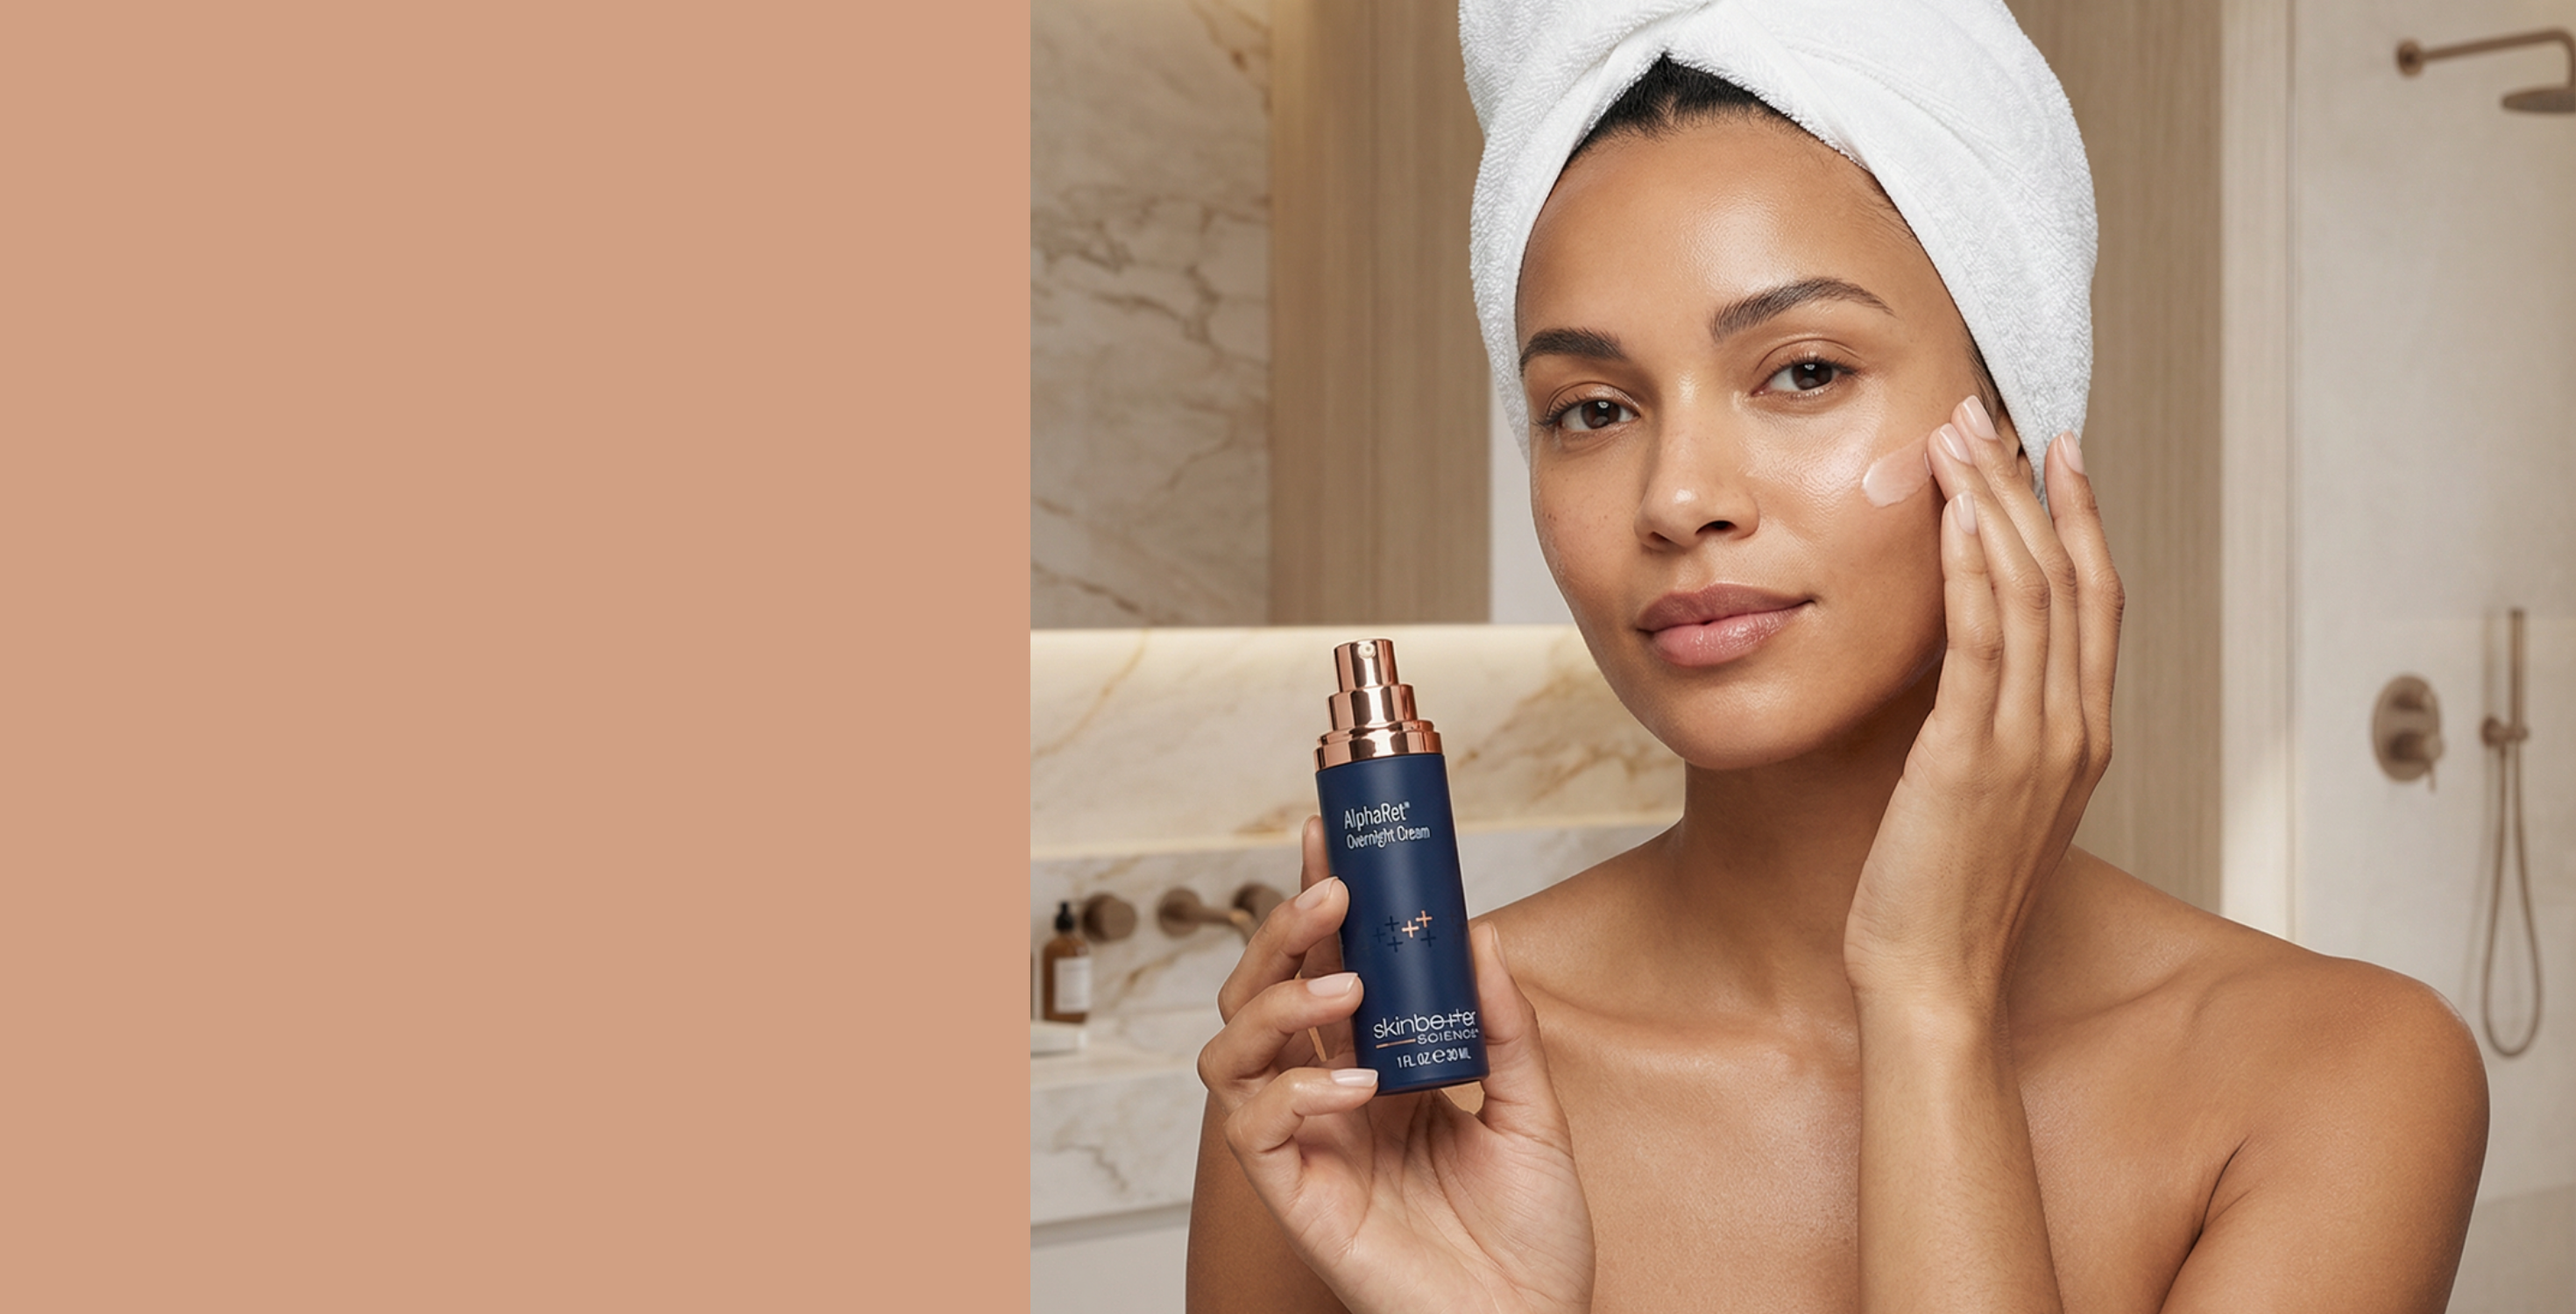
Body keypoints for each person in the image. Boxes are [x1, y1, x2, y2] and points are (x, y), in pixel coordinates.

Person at [1183, 9, 2489, 1313]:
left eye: (1803, 372)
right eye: (1592, 409)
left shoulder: (2337, 1076)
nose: (1679, 497)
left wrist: (1930, 1002)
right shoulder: (1369, 1090)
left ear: (2012, 420)